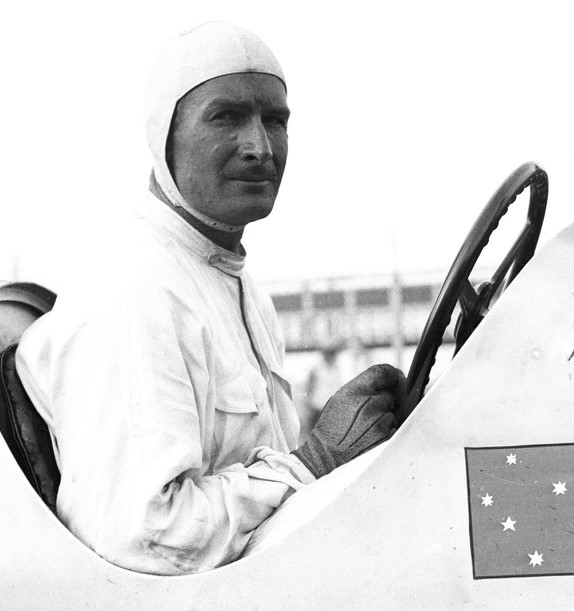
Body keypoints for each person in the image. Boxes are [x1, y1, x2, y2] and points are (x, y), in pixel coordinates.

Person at [15, 21, 404, 576]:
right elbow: (144, 537)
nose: (260, 147)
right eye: (226, 117)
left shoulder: (239, 289)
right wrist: (313, 463)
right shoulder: (136, 289)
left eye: (275, 120)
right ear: (165, 137)